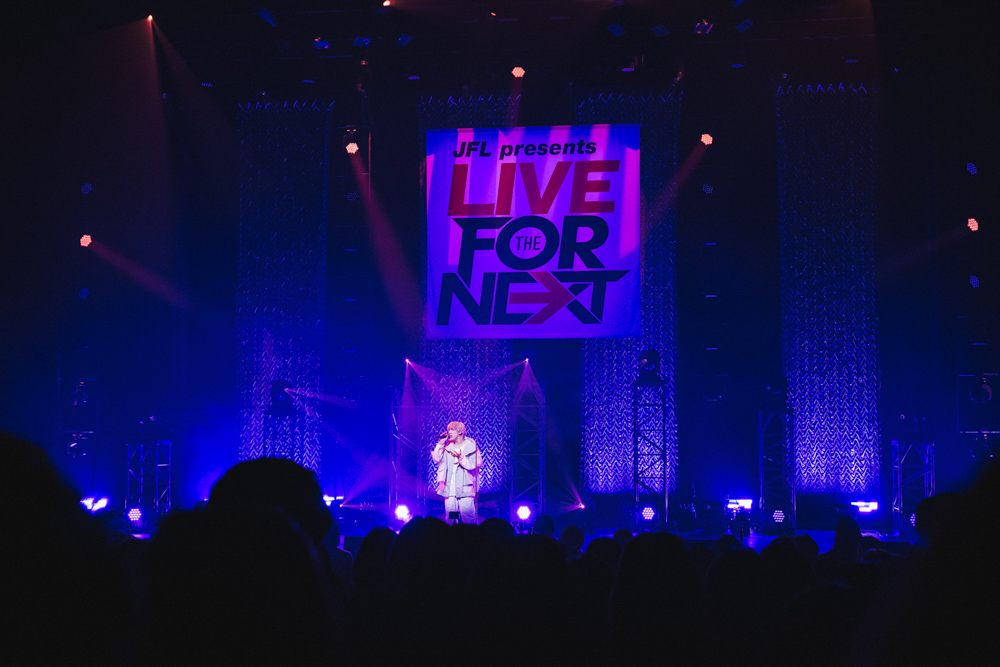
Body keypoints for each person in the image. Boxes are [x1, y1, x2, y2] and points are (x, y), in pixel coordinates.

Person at [431, 421, 482, 524]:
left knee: (468, 517)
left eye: (452, 430)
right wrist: (441, 443)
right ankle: (452, 533)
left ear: (460, 432)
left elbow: (476, 464)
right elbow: (437, 458)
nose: (449, 432)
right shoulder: (447, 446)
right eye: (448, 430)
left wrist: (461, 458)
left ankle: (471, 534)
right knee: (452, 517)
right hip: (450, 490)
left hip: (465, 488)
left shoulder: (471, 446)